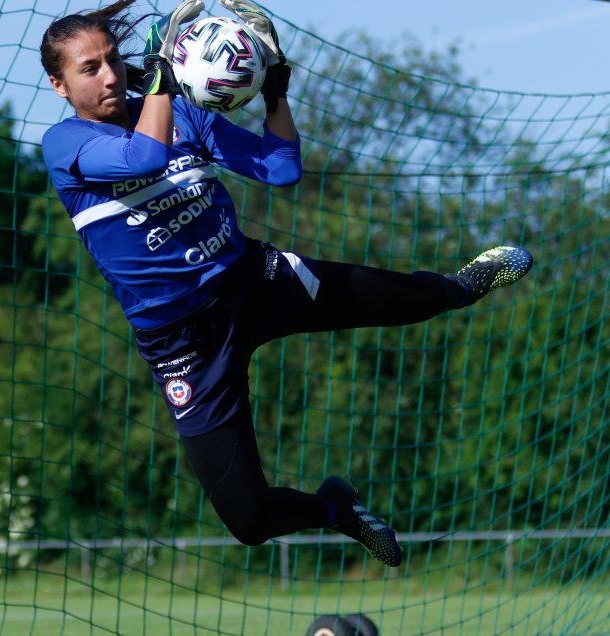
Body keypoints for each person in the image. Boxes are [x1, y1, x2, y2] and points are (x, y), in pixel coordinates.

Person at [39, 0, 532, 568]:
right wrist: (164, 82)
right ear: (58, 85)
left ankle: (466, 284)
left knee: (404, 301)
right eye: (88, 69)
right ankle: (336, 510)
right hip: (185, 344)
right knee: (249, 521)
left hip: (253, 280)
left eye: (113, 61)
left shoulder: (181, 112)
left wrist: (275, 93)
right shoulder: (66, 145)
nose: (108, 76)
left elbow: (280, 167)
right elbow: (144, 157)